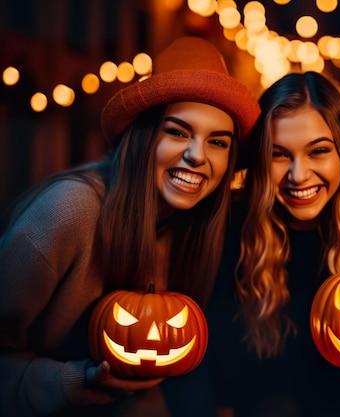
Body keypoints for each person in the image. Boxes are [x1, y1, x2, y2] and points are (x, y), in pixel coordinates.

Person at [0, 36, 260, 417]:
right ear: (142, 136)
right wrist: (75, 382)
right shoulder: (65, 213)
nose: (196, 155)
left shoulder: (194, 227)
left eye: (218, 142)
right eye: (177, 131)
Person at [205, 71, 340, 416]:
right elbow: (218, 374)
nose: (298, 175)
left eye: (318, 151)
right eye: (279, 155)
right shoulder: (231, 226)